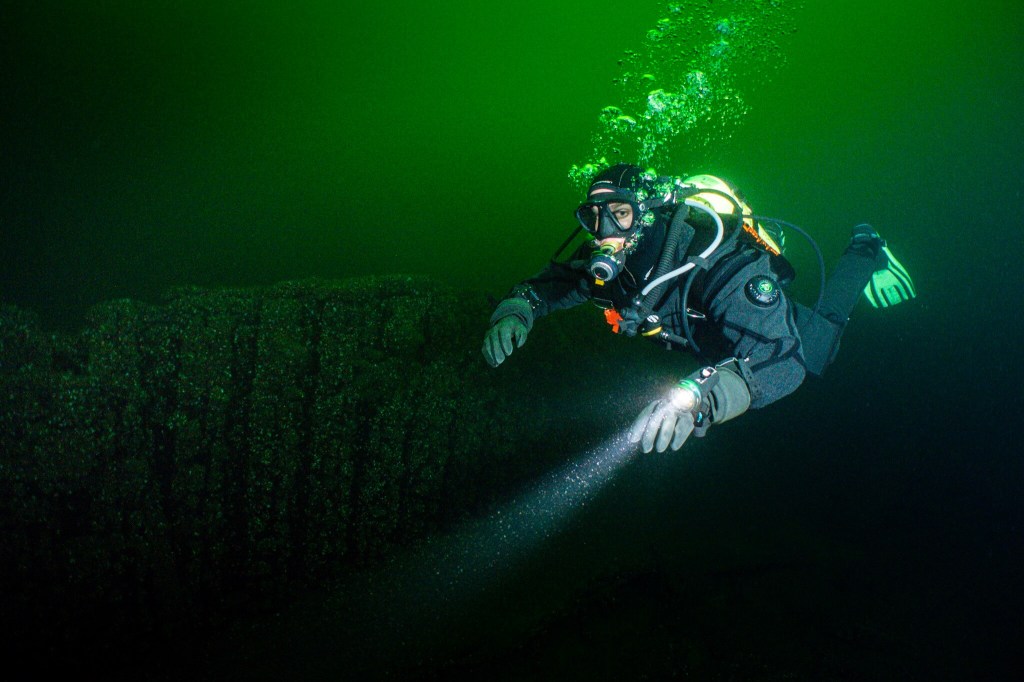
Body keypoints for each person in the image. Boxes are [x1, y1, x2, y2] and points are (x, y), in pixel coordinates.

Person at [482, 163, 916, 453]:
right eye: (593, 217)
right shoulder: (607, 269)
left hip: (760, 333)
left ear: (646, 214)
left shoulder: (719, 264)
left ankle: (866, 247)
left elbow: (782, 358)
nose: (604, 231)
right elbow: (550, 286)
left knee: (822, 344)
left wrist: (700, 399)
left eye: (620, 213)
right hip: (712, 350)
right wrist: (517, 309)